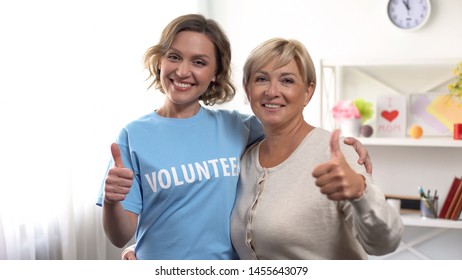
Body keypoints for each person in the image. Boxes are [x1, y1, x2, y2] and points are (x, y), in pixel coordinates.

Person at [97, 14, 372, 260]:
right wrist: (112, 201)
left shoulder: (239, 127)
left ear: (215, 74)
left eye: (199, 62)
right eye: (174, 56)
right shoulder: (133, 136)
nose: (182, 71)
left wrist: (347, 146)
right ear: (159, 61)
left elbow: (294, 132)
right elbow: (119, 236)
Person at [230, 38, 404, 259]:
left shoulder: (336, 154)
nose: (272, 91)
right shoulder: (244, 158)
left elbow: (385, 243)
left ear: (308, 92)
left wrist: (361, 192)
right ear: (248, 89)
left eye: (287, 81)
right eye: (261, 79)